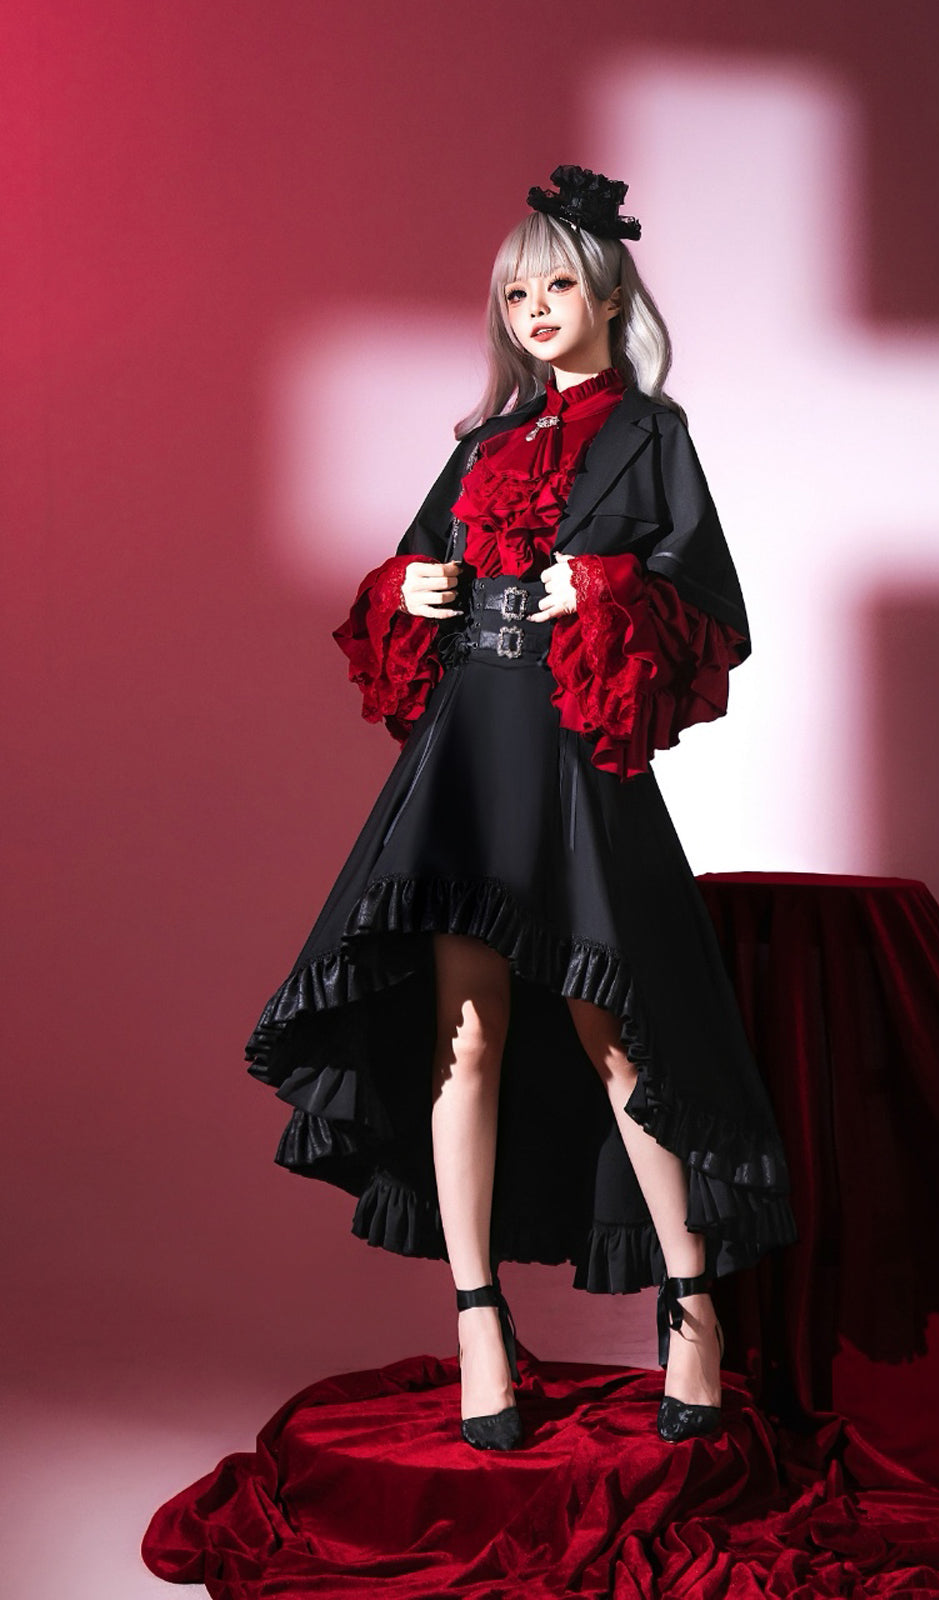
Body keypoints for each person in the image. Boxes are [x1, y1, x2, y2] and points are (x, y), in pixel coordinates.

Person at [246, 165, 796, 1452]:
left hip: (571, 748)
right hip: (469, 749)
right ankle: (478, 1319)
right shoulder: (483, 446)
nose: (535, 308)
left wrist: (600, 590)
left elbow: (712, 610)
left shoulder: (652, 435)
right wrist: (407, 588)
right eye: (514, 293)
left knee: (617, 1032)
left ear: (609, 296)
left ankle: (691, 1303)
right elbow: (409, 572)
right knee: (466, 1033)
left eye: (556, 285)